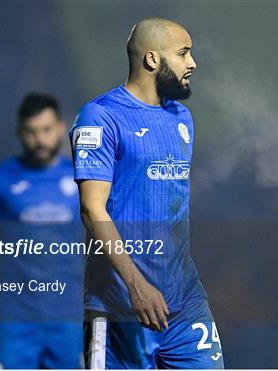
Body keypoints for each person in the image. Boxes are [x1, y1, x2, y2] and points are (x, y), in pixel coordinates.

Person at [70, 17, 224, 369]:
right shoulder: (100, 117)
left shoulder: (182, 118)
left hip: (184, 303)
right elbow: (92, 210)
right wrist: (136, 285)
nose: (192, 63)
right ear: (152, 60)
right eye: (184, 53)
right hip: (119, 309)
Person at [0, 93, 84, 368]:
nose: (39, 140)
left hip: (69, 320)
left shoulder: (83, 178)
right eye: (31, 132)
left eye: (46, 130)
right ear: (19, 132)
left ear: (61, 128)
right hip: (14, 320)